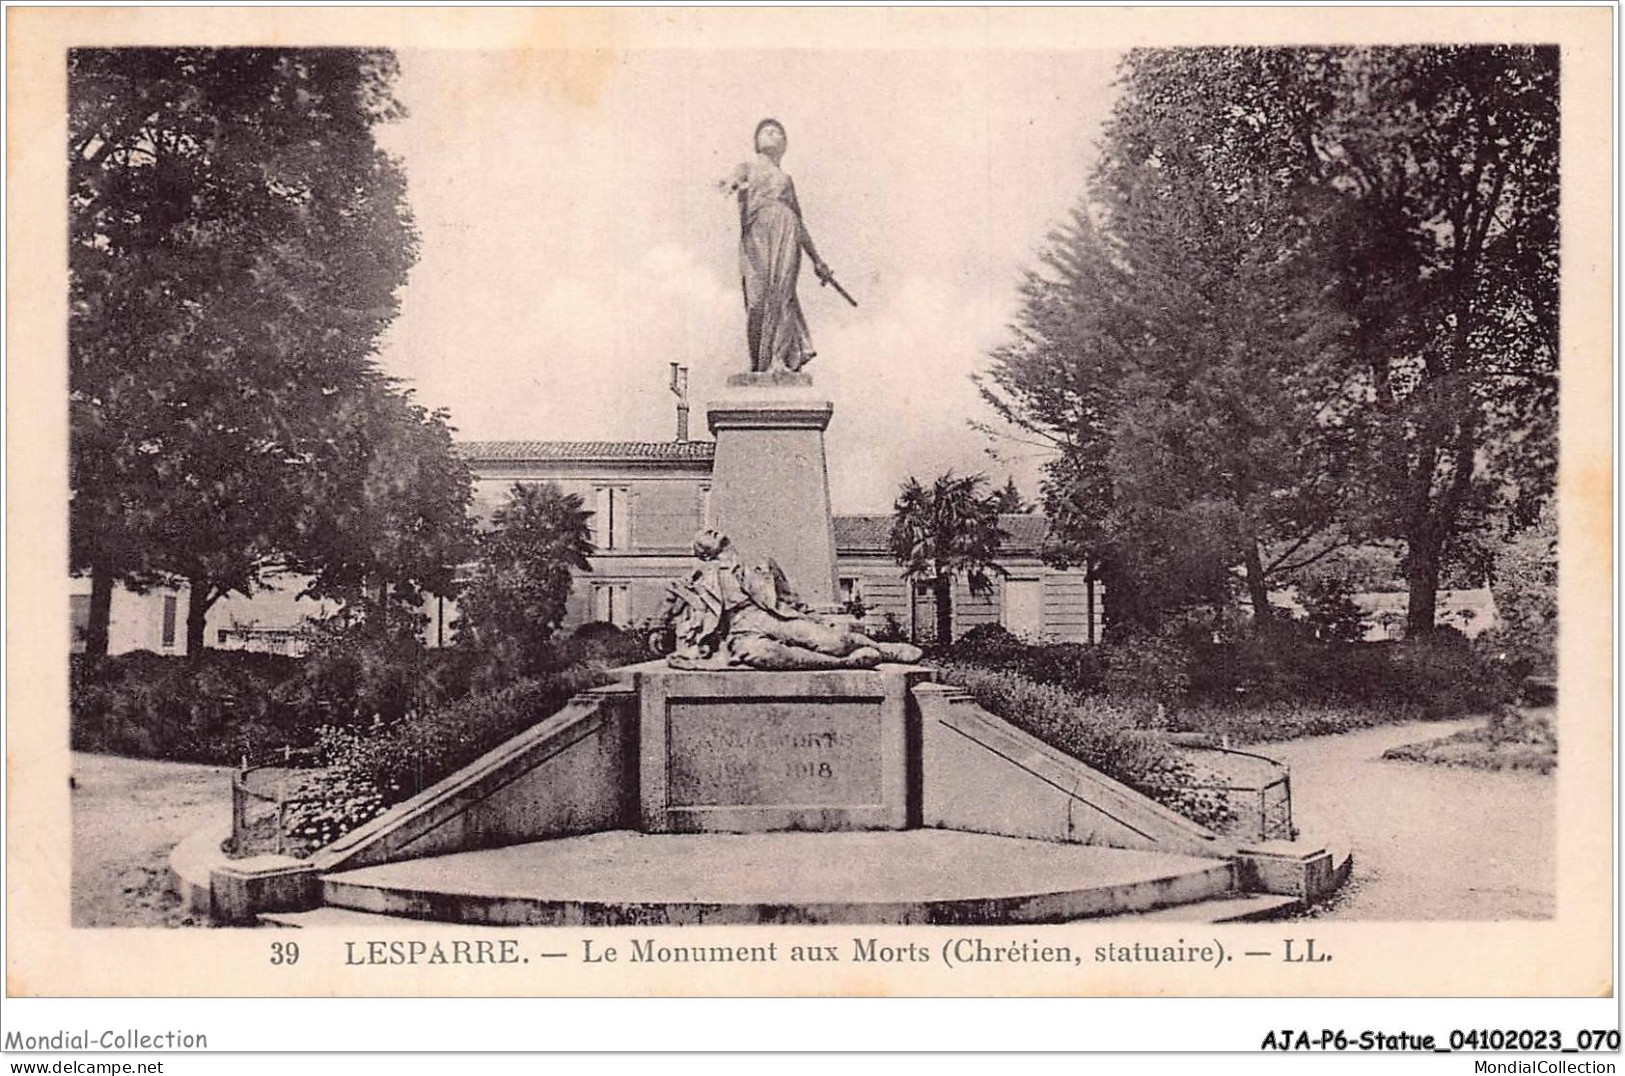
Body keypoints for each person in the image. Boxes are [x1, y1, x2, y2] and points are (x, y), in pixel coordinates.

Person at [664, 529, 922, 670]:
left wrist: (819, 620)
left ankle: (884, 650)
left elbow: (790, 599)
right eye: (702, 538)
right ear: (705, 556)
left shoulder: (761, 564)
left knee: (832, 641)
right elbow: (671, 600)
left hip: (775, 618)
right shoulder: (699, 578)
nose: (709, 531)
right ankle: (842, 665)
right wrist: (657, 628)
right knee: (763, 656)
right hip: (739, 631)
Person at [718, 119, 833, 374]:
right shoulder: (747, 168)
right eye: (766, 131)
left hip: (787, 233)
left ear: (784, 145)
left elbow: (800, 222)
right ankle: (758, 364)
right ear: (756, 142)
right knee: (757, 301)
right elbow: (733, 181)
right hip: (757, 237)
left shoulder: (786, 180)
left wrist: (818, 261)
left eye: (778, 132)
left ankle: (780, 361)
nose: (773, 134)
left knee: (782, 297)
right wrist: (730, 185)